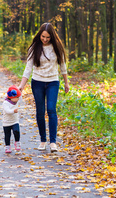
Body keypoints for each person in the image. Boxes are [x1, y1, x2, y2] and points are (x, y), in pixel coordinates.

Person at [18, 23, 70, 152]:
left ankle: (53, 142)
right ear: (39, 35)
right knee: (40, 112)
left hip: (53, 82)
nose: (45, 39)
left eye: (47, 37)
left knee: (51, 110)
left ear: (52, 36)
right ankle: (43, 140)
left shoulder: (57, 47)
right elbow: (28, 68)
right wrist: (21, 85)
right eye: (43, 36)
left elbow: (63, 66)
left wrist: (66, 82)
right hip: (38, 82)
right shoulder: (34, 48)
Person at [2, 85, 22, 153]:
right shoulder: (5, 103)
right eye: (17, 97)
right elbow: (7, 111)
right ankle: (7, 146)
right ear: (12, 97)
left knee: (16, 131)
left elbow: (21, 99)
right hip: (6, 122)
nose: (18, 98)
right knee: (7, 135)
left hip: (15, 121)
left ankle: (17, 143)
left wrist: (20, 91)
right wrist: (13, 111)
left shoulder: (16, 101)